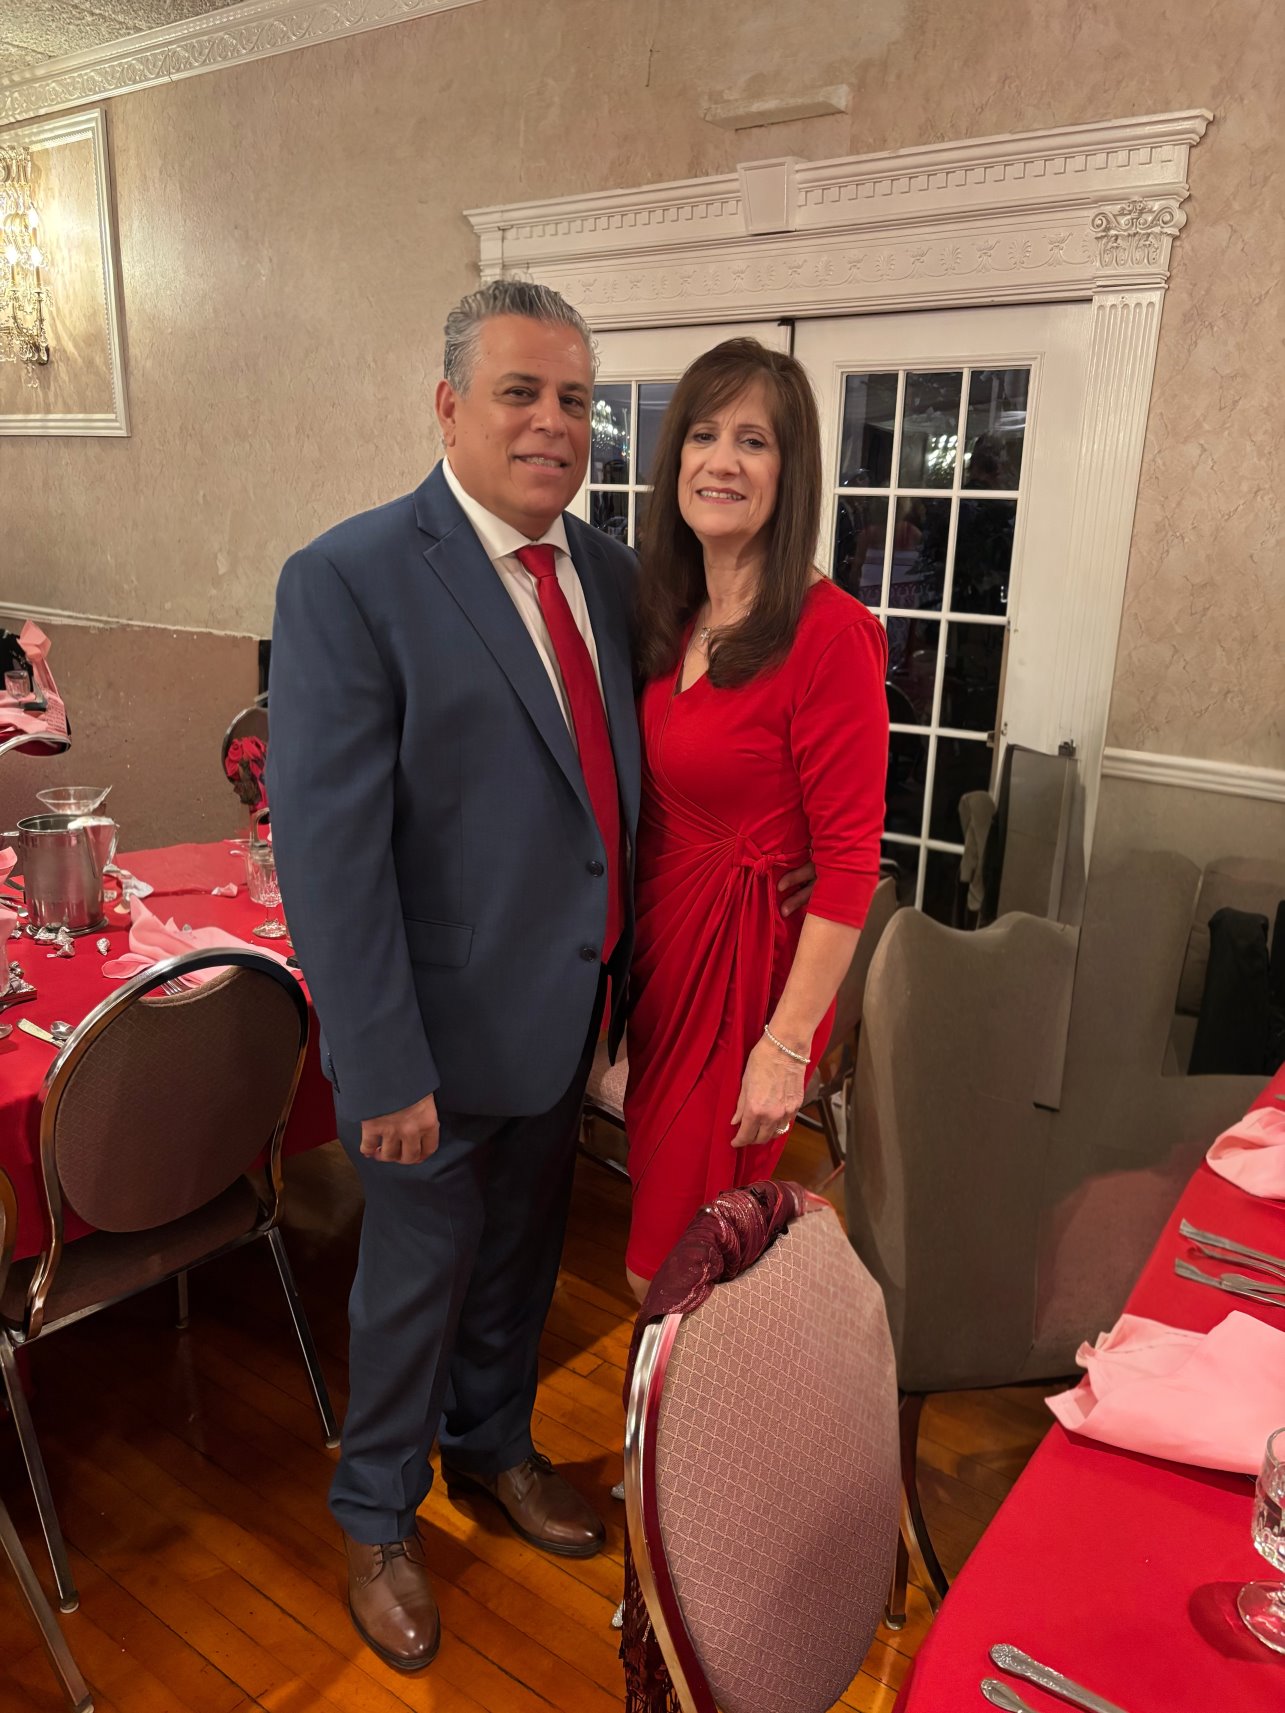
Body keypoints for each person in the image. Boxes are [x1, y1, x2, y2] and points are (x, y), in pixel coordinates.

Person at [266, 281, 641, 1673]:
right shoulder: (350, 577)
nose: (552, 423)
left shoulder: (607, 575)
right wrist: (379, 1064)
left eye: (574, 400)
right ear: (448, 407)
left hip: (562, 1016)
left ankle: (492, 1449)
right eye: (520, 392)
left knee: (522, 1271)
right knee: (409, 1291)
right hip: (425, 1040)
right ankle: (375, 1516)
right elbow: (330, 851)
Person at [622, 338, 890, 1299]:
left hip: (744, 989)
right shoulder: (669, 617)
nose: (721, 461)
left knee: (681, 1268)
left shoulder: (832, 635)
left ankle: (685, 1404)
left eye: (753, 441)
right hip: (662, 967)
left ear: (790, 470)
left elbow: (849, 861)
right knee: (666, 1245)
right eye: (702, 435)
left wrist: (785, 1046)